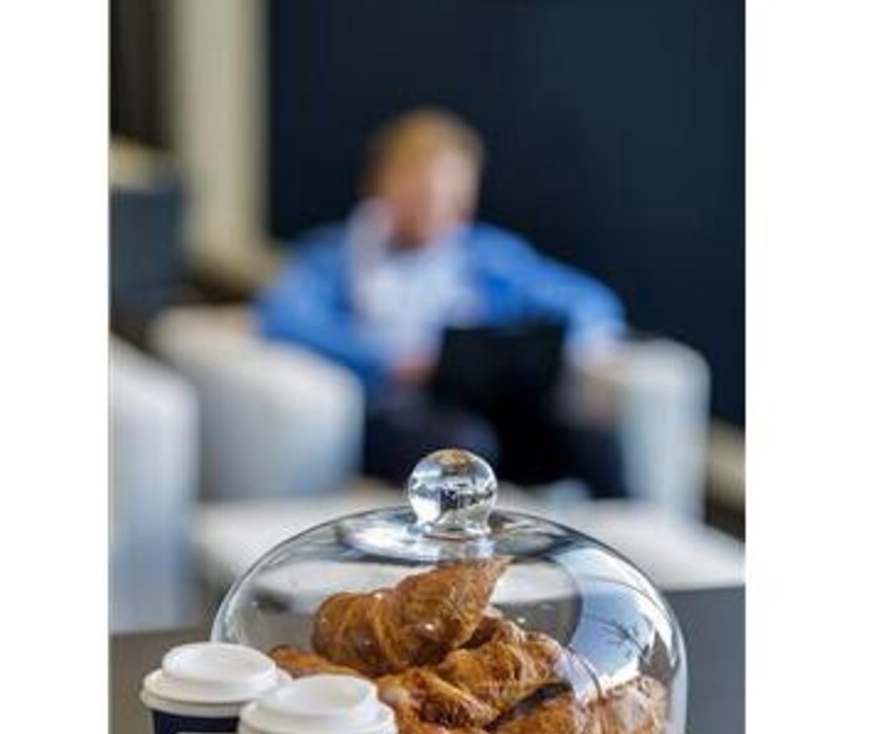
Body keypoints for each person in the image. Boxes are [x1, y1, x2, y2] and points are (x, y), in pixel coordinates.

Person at [257, 108, 628, 497]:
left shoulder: (489, 257)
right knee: (459, 448)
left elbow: (592, 304)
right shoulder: (331, 257)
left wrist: (562, 351)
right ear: (380, 182)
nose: (433, 206)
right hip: (392, 413)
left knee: (593, 444)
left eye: (449, 196)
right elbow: (284, 320)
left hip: (487, 406)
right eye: (419, 192)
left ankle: (622, 534)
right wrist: (391, 361)